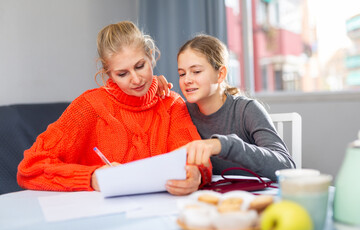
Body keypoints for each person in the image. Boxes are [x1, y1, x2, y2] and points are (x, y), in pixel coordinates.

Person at [17, 21, 212, 195]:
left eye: (140, 66)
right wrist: (91, 178)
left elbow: (195, 158)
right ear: (108, 73)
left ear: (151, 56)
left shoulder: (172, 104)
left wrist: (197, 175)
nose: (136, 80)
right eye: (122, 73)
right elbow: (30, 168)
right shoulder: (89, 107)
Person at [176, 34, 294, 182]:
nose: (187, 80)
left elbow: (286, 166)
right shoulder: (182, 113)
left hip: (253, 197)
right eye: (182, 73)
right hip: (208, 198)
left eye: (196, 71)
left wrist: (223, 145)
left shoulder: (246, 110)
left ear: (220, 74)